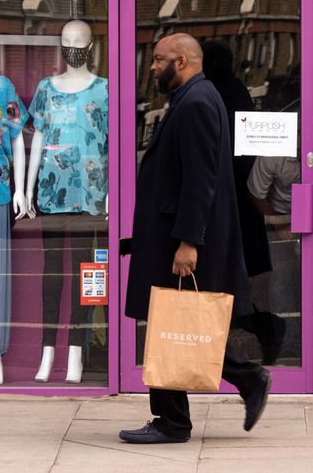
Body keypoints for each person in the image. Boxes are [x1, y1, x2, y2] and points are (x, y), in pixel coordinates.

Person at [119, 33, 271, 444]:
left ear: (181, 60)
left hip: (179, 241)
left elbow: (201, 180)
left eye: (157, 59)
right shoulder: (191, 98)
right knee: (176, 323)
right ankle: (242, 383)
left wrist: (189, 240)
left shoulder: (198, 102)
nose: (151, 67)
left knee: (173, 322)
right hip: (169, 236)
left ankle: (176, 420)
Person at [201, 38, 286, 365]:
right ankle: (258, 333)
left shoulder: (212, 92)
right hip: (242, 191)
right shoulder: (236, 89)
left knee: (220, 268)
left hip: (224, 192)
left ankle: (238, 338)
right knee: (245, 267)